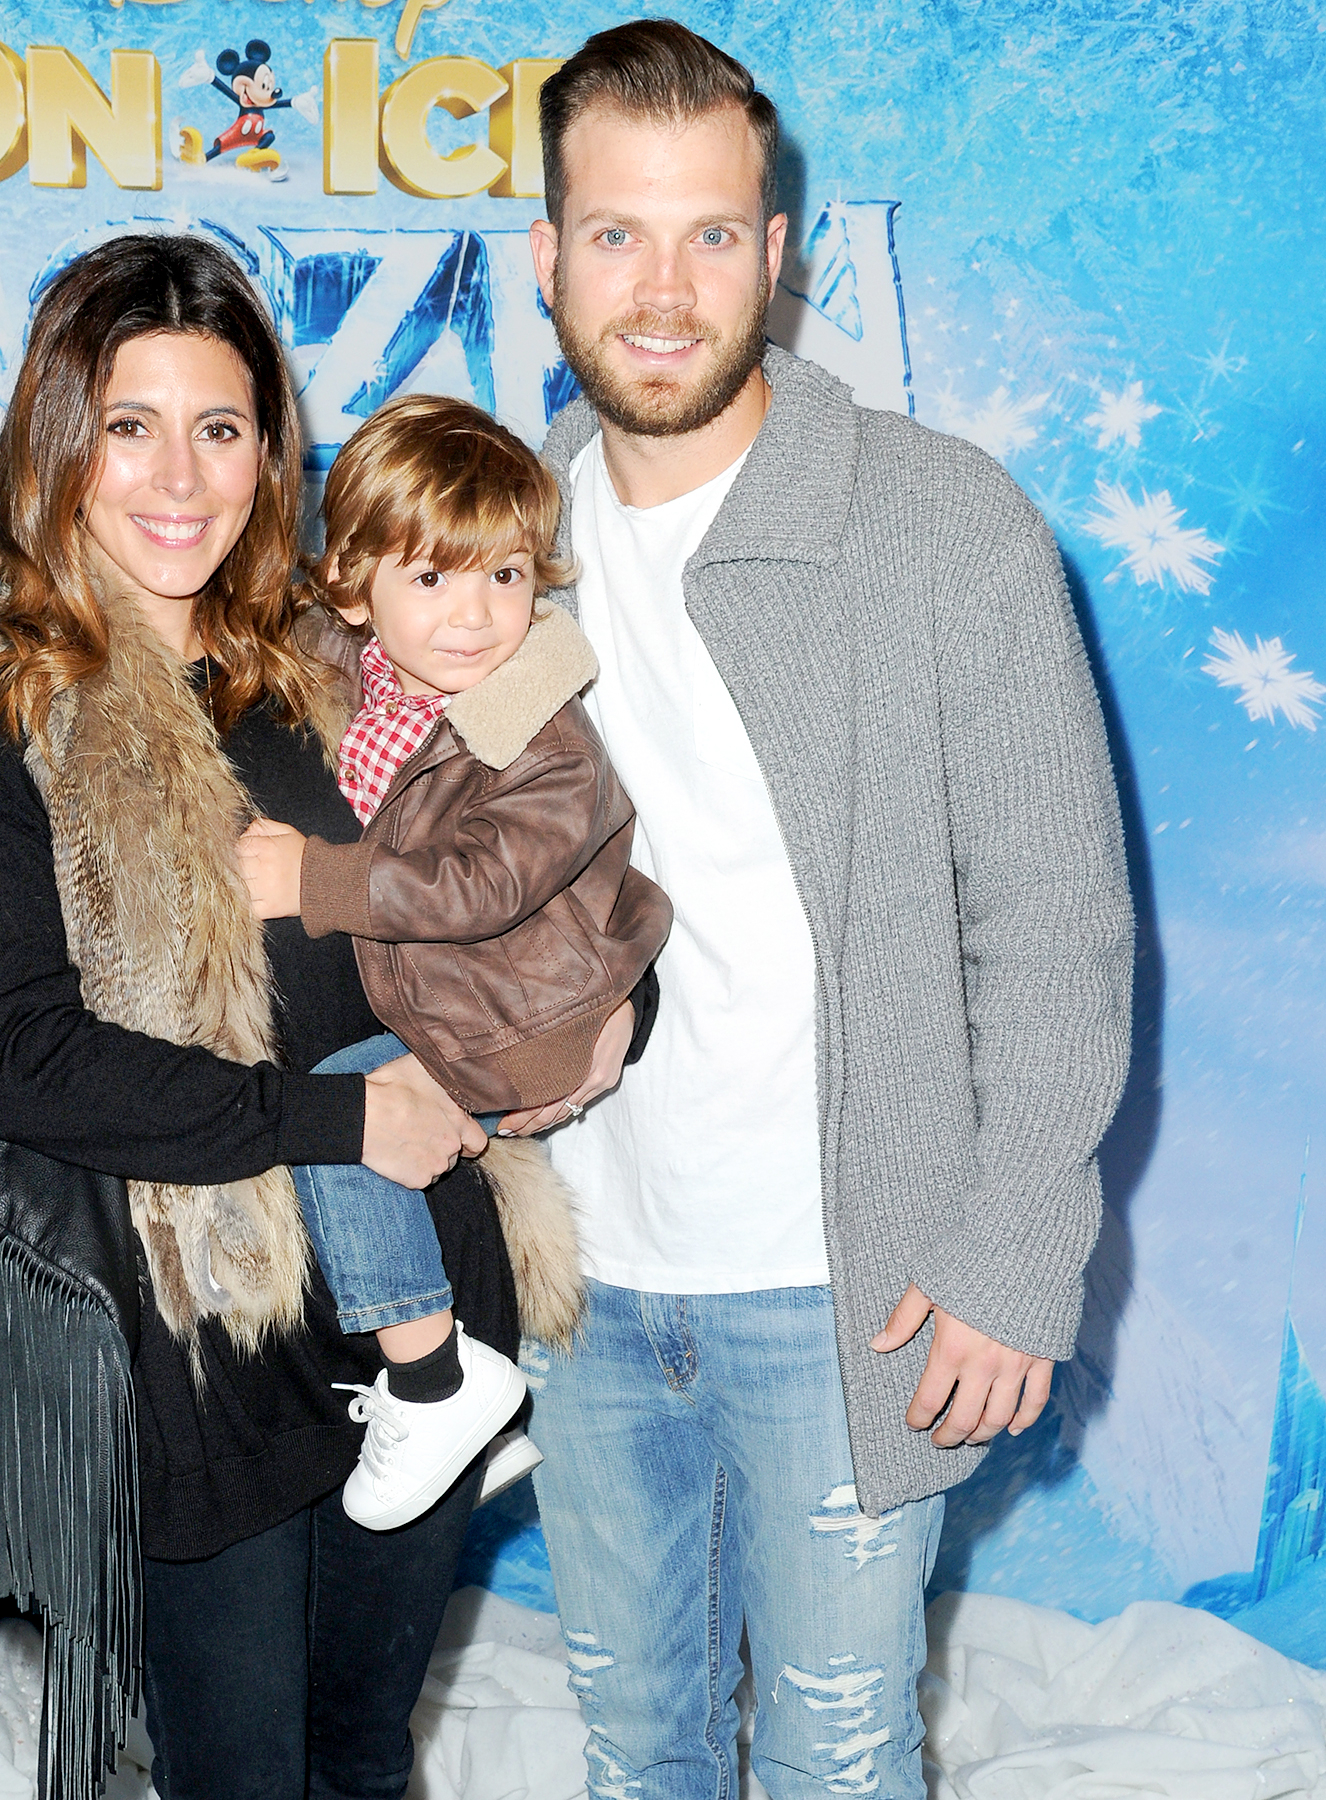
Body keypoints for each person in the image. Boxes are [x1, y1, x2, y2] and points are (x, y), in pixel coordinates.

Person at [0, 234, 604, 1800]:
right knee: (241, 1771)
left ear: (269, 451)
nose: (178, 477)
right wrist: (343, 1120)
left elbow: (540, 861)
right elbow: (23, 1059)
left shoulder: (336, 668)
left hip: (424, 1304)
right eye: (129, 426)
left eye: (218, 427)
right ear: (59, 442)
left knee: (359, 1755)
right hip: (193, 1328)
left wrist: (614, 1015)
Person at [521, 21, 1134, 1800]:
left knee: (839, 1765)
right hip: (585, 1285)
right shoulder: (506, 535)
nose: (662, 288)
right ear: (547, 257)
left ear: (775, 252)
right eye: (617, 234)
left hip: (840, 1291)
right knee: (634, 1752)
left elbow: (1056, 927)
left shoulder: (941, 524)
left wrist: (1013, 1254)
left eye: (709, 233)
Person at [238, 395, 671, 1532]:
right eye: (432, 578)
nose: (475, 616)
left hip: (524, 1018)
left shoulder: (543, 735)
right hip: (458, 999)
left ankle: (435, 1382)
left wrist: (316, 882)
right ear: (355, 589)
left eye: (507, 577)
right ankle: (484, 1430)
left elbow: (481, 885)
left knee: (346, 1116)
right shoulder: (355, 664)